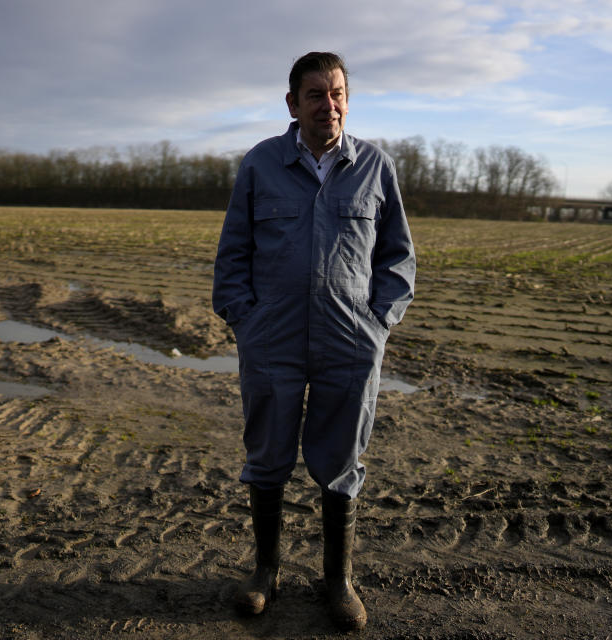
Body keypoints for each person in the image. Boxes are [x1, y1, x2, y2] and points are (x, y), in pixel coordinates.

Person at [212, 51, 415, 630]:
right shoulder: (260, 164)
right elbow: (233, 255)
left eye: (338, 94)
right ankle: (264, 573)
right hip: (271, 337)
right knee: (268, 455)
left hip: (349, 338)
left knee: (342, 458)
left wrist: (378, 322)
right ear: (292, 104)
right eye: (316, 95)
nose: (329, 105)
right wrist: (245, 320)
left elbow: (397, 257)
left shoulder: (375, 167)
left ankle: (338, 581)